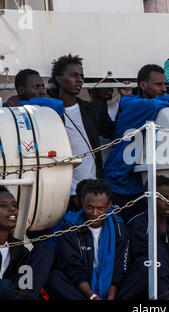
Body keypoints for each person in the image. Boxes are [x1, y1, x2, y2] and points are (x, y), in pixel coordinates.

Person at [103, 64, 169, 223]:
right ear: (143, 85)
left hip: (139, 183)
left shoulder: (153, 101)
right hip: (117, 181)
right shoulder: (130, 101)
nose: (164, 89)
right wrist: (161, 100)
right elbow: (154, 105)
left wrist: (159, 98)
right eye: (159, 85)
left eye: (165, 84)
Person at [49, 54, 115, 211]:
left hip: (91, 190)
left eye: (81, 76)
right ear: (59, 79)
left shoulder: (90, 109)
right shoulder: (48, 111)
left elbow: (114, 131)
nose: (79, 80)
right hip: (63, 190)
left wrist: (127, 97)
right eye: (73, 75)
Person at [45, 179, 129, 300]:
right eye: (90, 207)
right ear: (82, 203)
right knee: (54, 278)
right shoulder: (70, 228)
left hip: (112, 289)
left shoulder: (119, 229)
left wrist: (111, 297)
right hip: (81, 288)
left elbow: (120, 268)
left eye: (101, 208)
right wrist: (92, 296)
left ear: (109, 206)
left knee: (142, 269)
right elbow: (73, 269)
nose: (95, 213)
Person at [89, 85, 133, 164]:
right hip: (94, 166)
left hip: (117, 165)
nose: (110, 87)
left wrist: (126, 95)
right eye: (103, 82)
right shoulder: (84, 110)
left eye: (111, 83)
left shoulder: (119, 103)